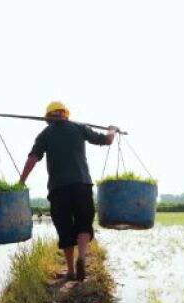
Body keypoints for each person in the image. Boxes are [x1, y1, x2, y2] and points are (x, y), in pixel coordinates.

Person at [19, 101, 118, 281]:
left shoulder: (45, 134)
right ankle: (82, 257)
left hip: (58, 188)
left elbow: (33, 158)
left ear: (48, 118)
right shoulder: (79, 128)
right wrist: (112, 129)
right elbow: (107, 140)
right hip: (82, 184)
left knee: (64, 229)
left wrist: (21, 182)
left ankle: (71, 270)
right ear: (65, 114)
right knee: (84, 223)